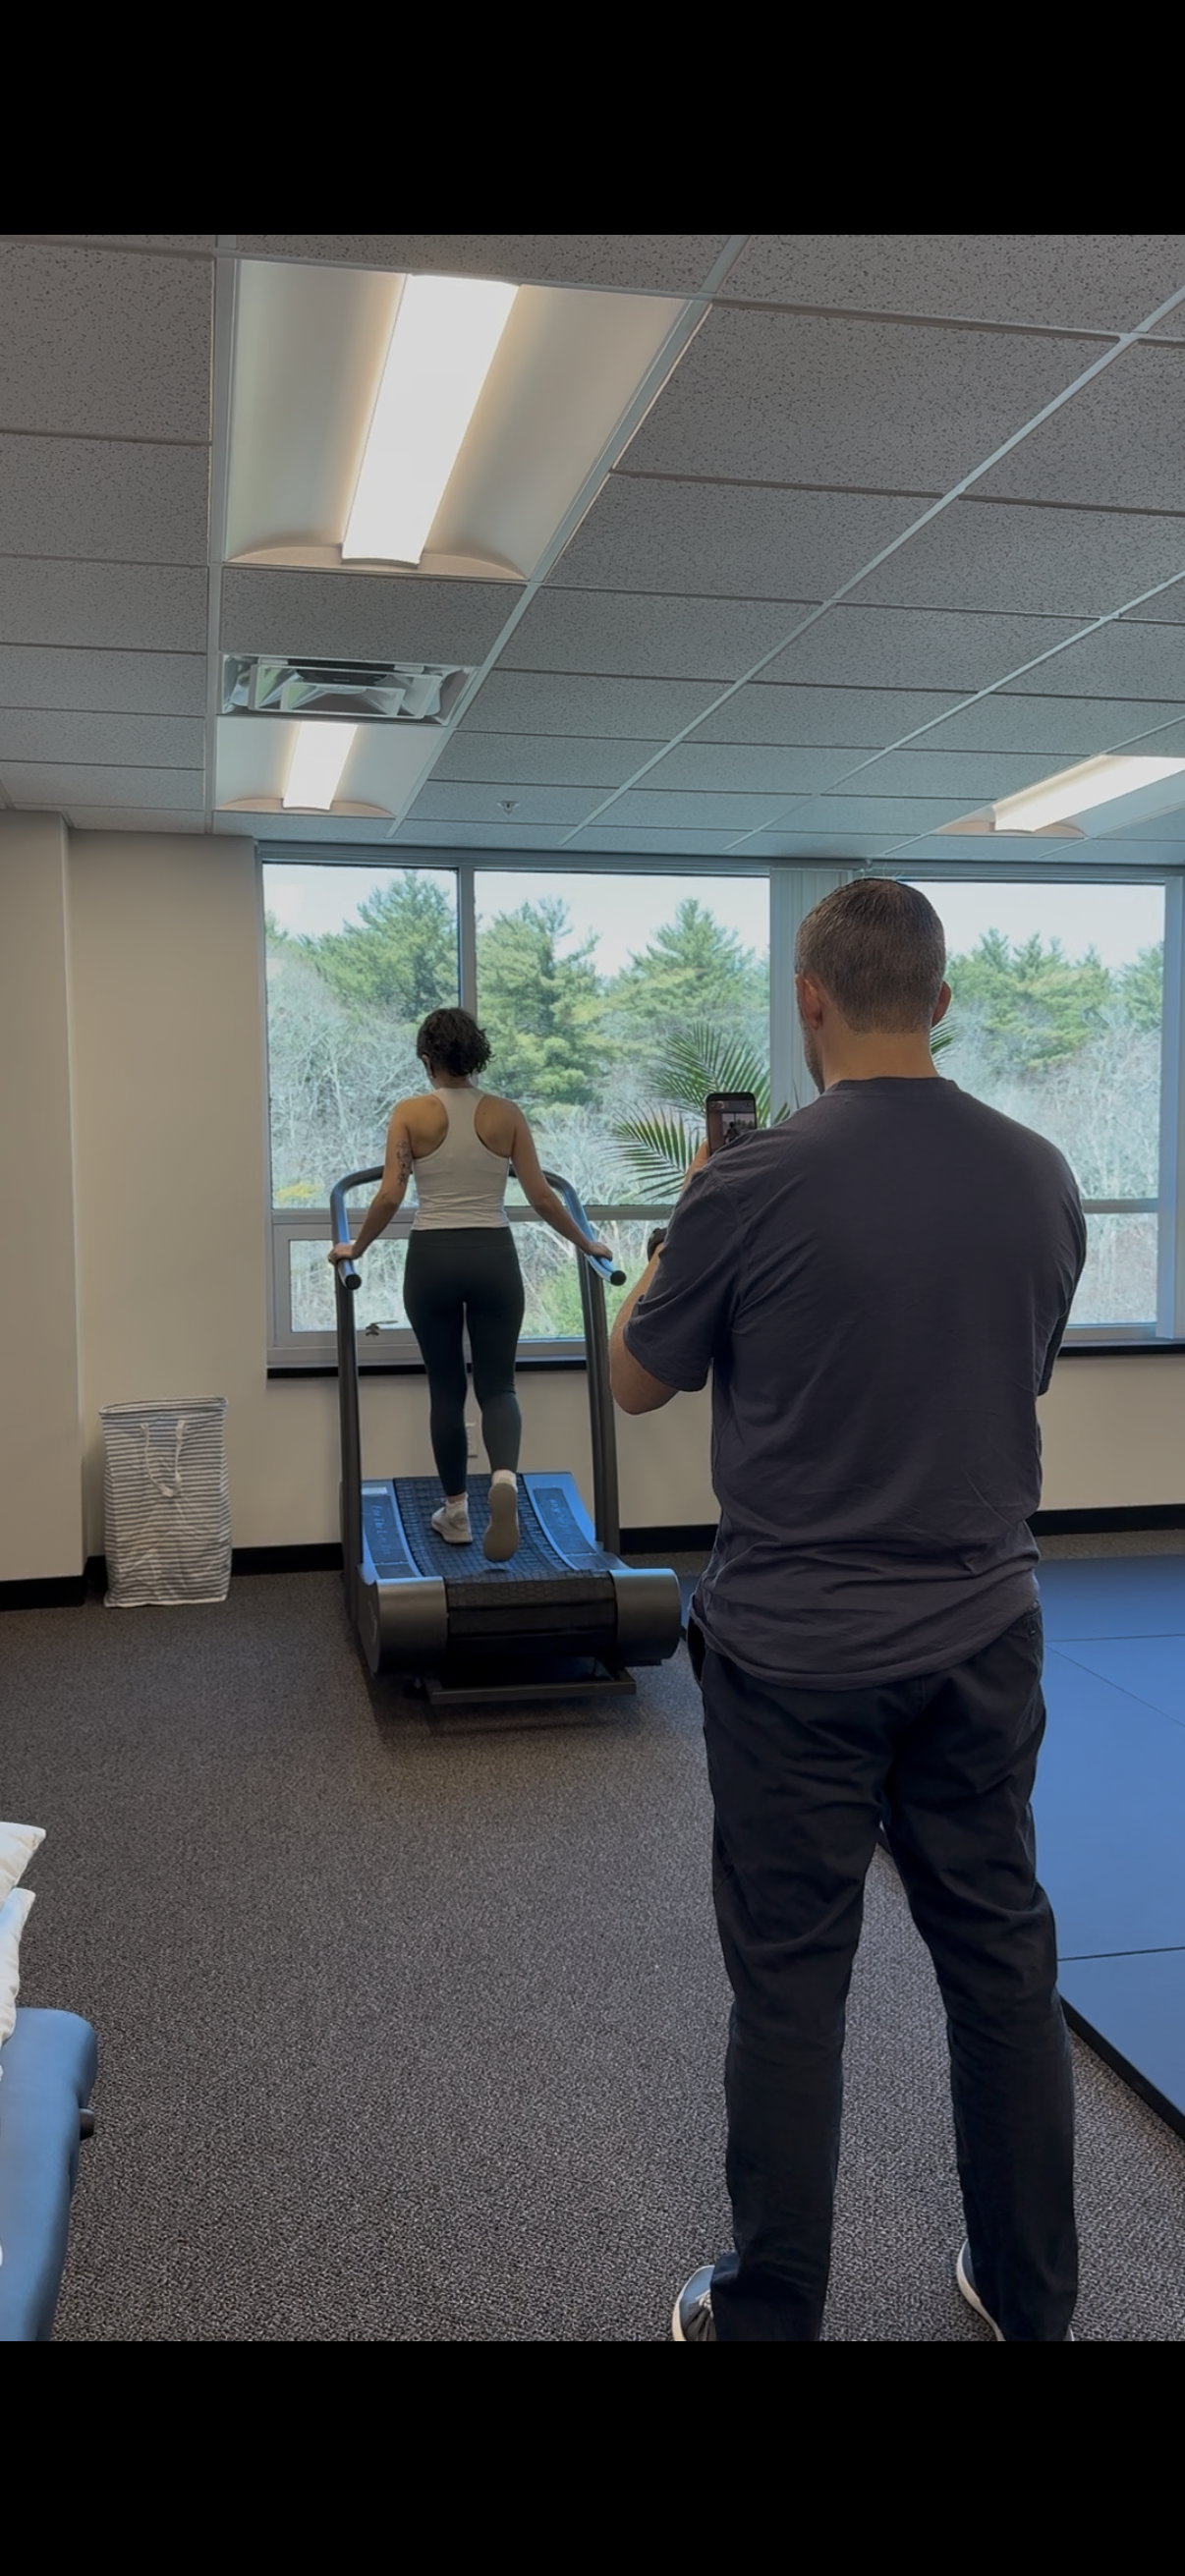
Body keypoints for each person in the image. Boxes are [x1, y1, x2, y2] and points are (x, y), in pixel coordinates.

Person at [608, 879, 1087, 2343]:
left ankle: (769, 2310)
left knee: (792, 1984)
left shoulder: (744, 1185)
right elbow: (1018, 1366)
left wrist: (679, 1218)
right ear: (936, 1000)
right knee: (1000, 1959)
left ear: (807, 998)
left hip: (793, 1657)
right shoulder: (1039, 1171)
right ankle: (1026, 2294)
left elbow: (637, 1377)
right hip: (981, 1633)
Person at [330, 1008, 610, 1562]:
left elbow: (389, 1195)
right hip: (493, 1257)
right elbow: (541, 1196)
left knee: (445, 1388)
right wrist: (587, 1243)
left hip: (433, 1257)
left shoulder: (410, 1113)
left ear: (427, 1059)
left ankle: (455, 1513)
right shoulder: (506, 1115)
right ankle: (502, 1479)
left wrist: (354, 1248)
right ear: (476, 1056)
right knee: (498, 1387)